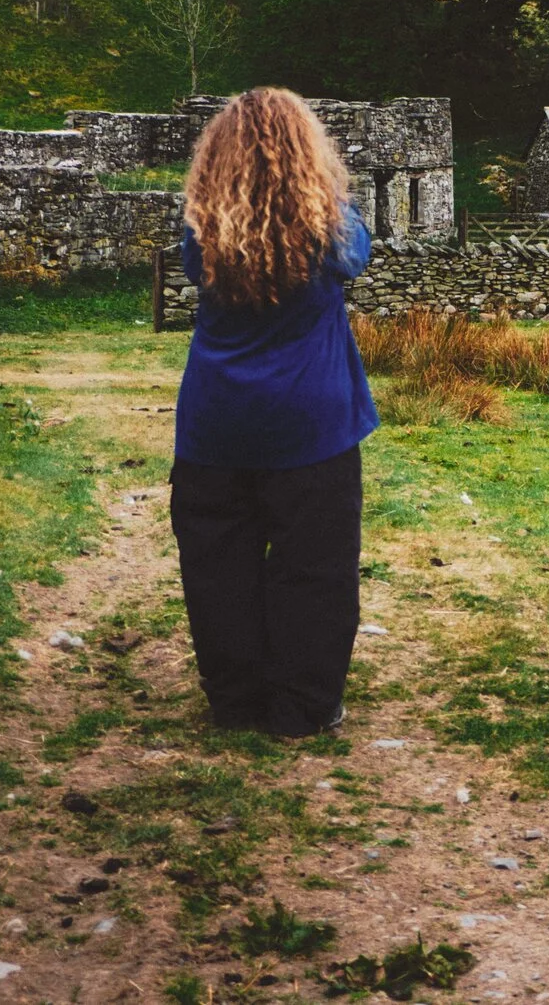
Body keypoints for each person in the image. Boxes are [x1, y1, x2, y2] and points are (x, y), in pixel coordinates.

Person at [169, 88, 378, 736]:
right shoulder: (328, 229)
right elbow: (360, 253)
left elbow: (190, 267)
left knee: (217, 563)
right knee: (313, 564)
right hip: (310, 421)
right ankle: (303, 706)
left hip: (217, 420)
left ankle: (235, 700)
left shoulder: (203, 229)